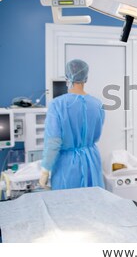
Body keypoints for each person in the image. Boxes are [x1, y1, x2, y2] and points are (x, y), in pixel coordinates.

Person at [39, 59, 105, 190]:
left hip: (68, 165)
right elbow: (97, 134)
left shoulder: (57, 104)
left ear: (67, 78)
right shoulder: (98, 104)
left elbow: (53, 142)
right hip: (91, 161)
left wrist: (45, 170)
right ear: (86, 78)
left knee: (68, 205)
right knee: (93, 204)